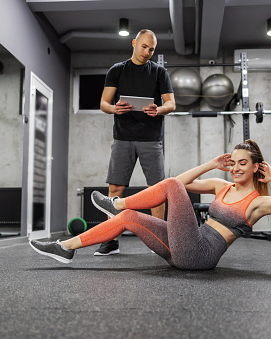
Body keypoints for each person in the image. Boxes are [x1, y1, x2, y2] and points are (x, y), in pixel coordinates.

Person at [30, 139, 271, 270]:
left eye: (242, 164)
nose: (235, 168)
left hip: (200, 255)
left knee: (168, 187)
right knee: (130, 216)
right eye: (232, 163)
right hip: (182, 248)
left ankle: (117, 203)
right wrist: (211, 164)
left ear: (255, 166)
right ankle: (64, 248)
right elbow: (180, 181)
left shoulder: (258, 203)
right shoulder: (222, 186)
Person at [96, 28, 176, 256]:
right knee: (115, 188)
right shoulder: (117, 70)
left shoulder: (159, 72)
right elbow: (103, 102)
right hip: (122, 137)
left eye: (151, 49)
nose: (147, 52)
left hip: (151, 139)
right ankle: (110, 240)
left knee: (157, 190)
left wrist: (158, 109)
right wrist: (114, 108)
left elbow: (172, 104)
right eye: (144, 46)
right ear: (134, 43)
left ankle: (159, 238)